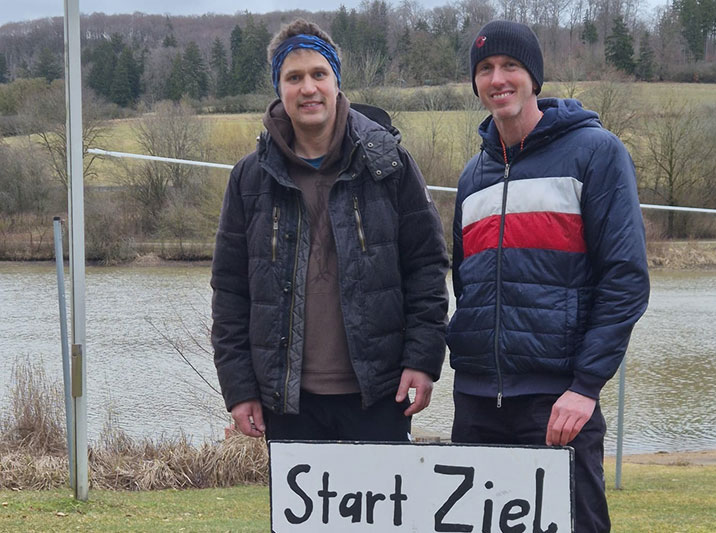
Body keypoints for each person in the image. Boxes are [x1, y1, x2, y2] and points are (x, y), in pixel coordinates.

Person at [447, 20, 650, 532]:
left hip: (558, 401)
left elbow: (625, 280)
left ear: (534, 77)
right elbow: (465, 285)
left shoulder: (596, 153)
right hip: (476, 403)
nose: (498, 79)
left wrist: (586, 385)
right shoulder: (472, 177)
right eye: (485, 69)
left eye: (511, 66)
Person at [211, 18, 449, 443]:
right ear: (278, 87)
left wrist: (423, 358)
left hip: (380, 395)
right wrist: (240, 389)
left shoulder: (389, 164)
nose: (308, 88)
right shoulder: (249, 178)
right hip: (286, 402)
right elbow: (230, 292)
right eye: (294, 77)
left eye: (319, 74)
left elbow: (427, 267)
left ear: (336, 82)